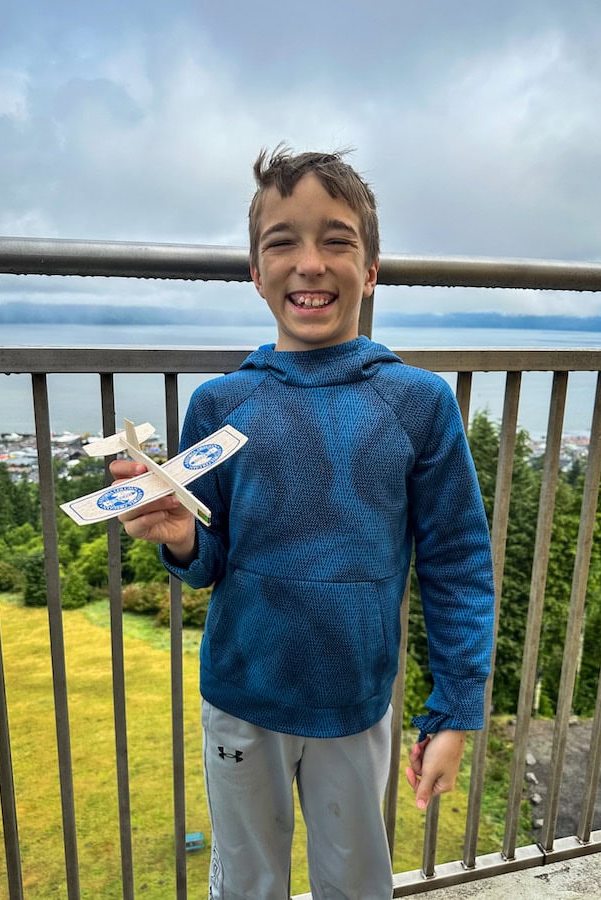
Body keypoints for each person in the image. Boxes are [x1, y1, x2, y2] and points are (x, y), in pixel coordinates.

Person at [112, 148, 495, 899]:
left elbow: (456, 561)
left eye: (337, 240)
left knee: (354, 881)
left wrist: (454, 709)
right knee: (246, 880)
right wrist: (180, 538)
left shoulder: (418, 403)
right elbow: (209, 555)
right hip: (240, 693)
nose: (309, 263)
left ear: (372, 268)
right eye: (282, 241)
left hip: (354, 701)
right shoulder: (218, 404)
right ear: (256, 274)